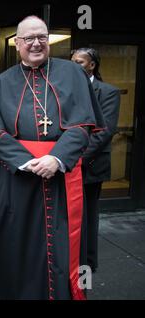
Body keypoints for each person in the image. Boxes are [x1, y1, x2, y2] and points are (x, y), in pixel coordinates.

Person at [0, 16, 104, 300]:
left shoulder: (72, 74)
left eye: (42, 37)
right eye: (28, 38)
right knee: (16, 243)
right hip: (18, 178)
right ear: (17, 44)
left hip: (60, 176)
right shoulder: (1, 83)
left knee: (61, 242)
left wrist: (56, 158)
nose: (36, 43)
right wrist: (25, 161)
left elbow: (83, 126)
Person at [71, 48, 121, 273]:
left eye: (79, 62)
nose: (74, 65)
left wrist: (74, 158)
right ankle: (69, 256)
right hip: (66, 163)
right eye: (72, 61)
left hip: (89, 164)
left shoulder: (108, 92)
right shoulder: (66, 90)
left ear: (92, 65)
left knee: (88, 215)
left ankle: (87, 263)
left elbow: (104, 132)